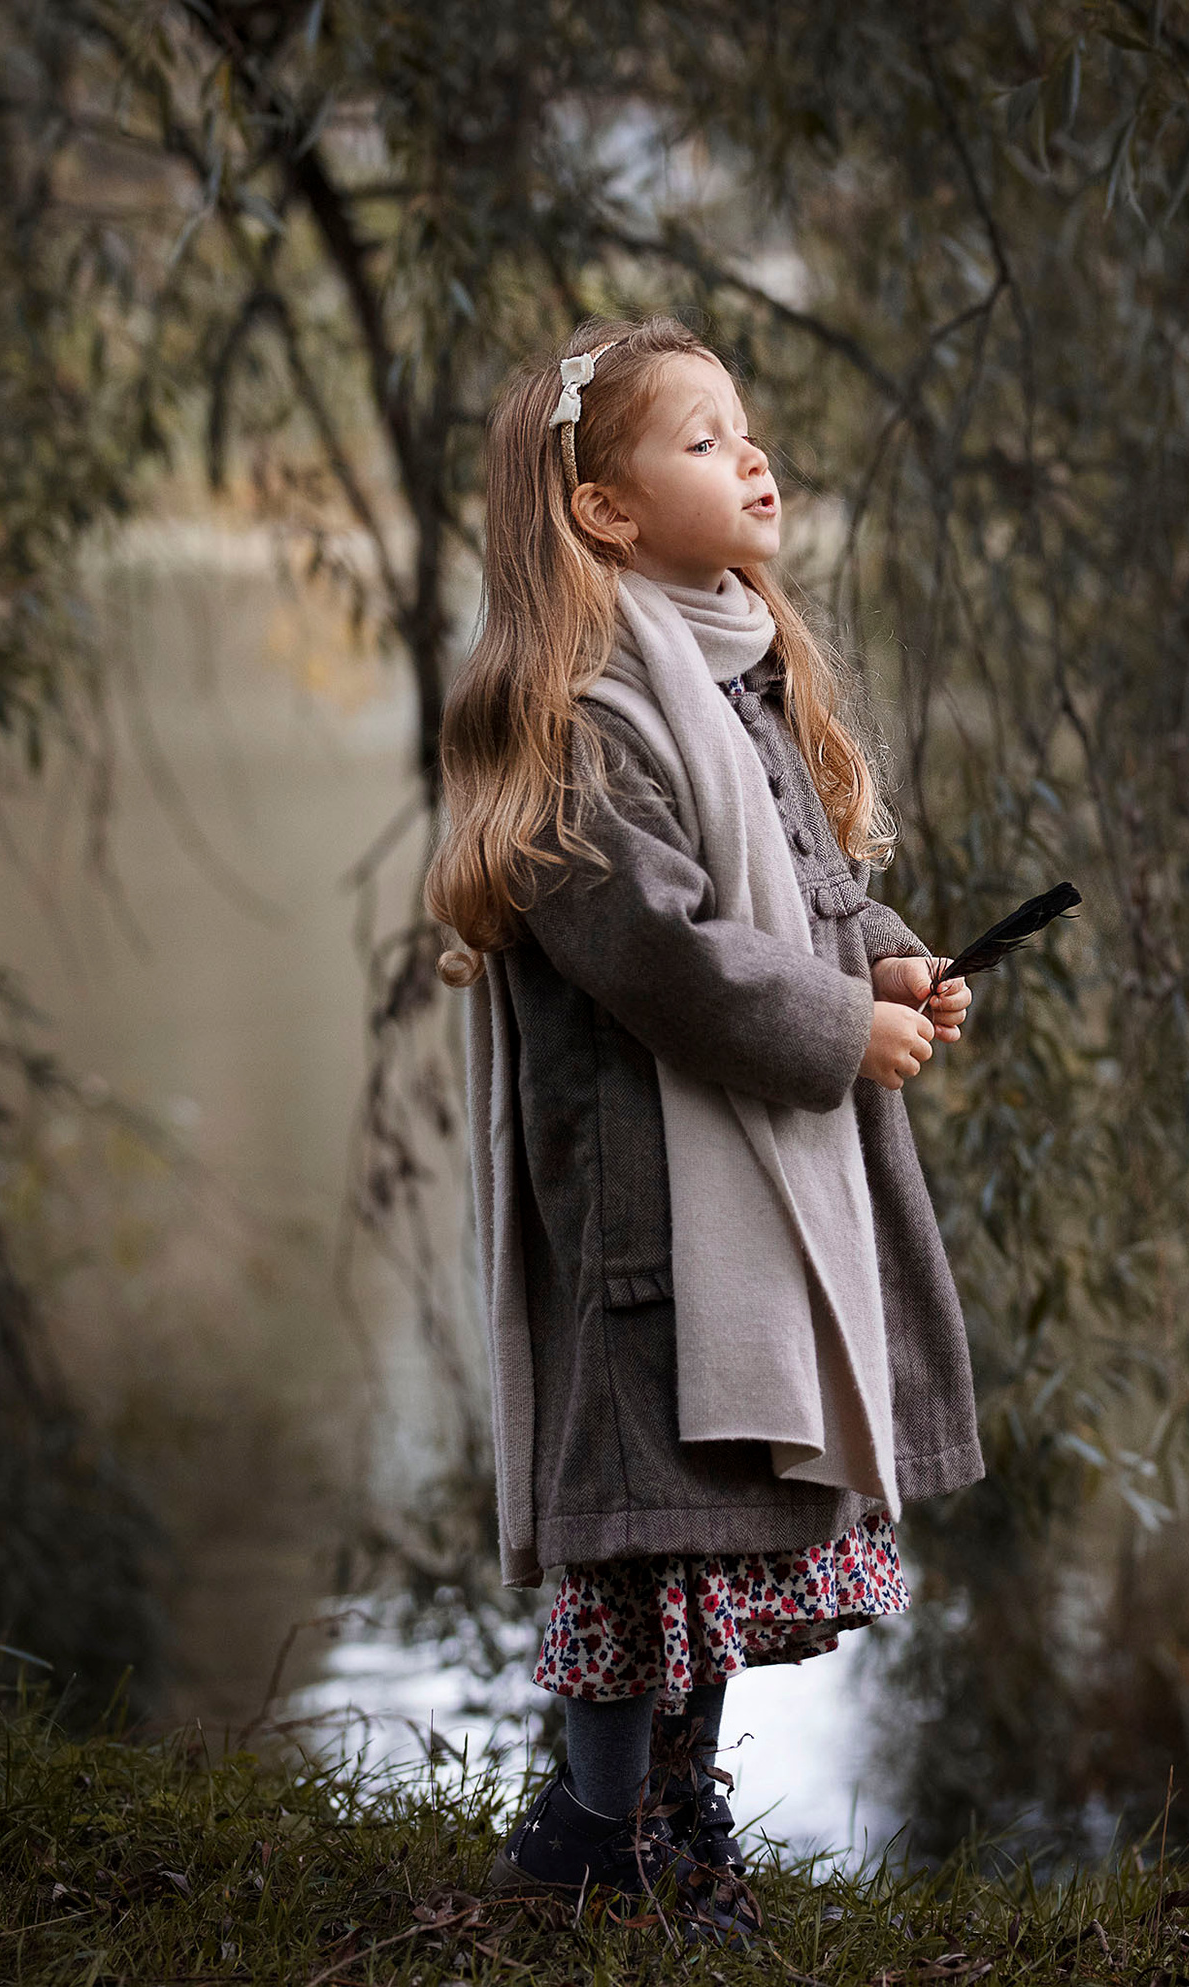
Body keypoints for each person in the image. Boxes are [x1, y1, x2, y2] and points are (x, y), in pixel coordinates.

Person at [425, 317, 986, 1934]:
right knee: (643, 1528)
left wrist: (885, 955)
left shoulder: (734, 661)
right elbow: (659, 949)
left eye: (750, 432)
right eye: (705, 439)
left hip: (734, 1180)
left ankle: (669, 1812)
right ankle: (599, 1834)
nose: (755, 459)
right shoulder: (581, 711)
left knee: (718, 1526)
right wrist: (832, 1026)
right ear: (602, 511)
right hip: (644, 1208)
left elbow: (807, 881)